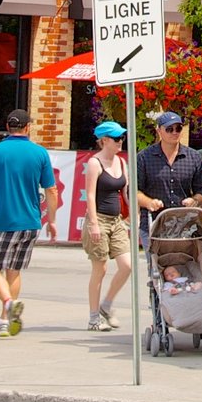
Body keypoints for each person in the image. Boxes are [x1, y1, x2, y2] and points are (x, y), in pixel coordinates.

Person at [0, 108, 60, 338]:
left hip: (3, 220)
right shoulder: (40, 153)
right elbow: (51, 190)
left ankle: (7, 304)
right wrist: (51, 219)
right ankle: (4, 321)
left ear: (7, 126)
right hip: (30, 221)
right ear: (27, 127)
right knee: (14, 271)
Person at [83, 121, 133, 331]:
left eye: (122, 138)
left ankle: (107, 303)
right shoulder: (95, 163)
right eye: (116, 138)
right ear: (104, 141)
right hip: (100, 219)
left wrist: (134, 211)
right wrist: (93, 223)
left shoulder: (121, 163)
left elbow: (126, 191)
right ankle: (94, 316)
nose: (120, 142)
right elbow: (91, 194)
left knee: (127, 265)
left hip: (117, 220)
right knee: (100, 268)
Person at [133, 112, 202, 245]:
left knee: (179, 264)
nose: (174, 132)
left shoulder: (194, 158)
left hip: (184, 225)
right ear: (159, 131)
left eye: (178, 128)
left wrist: (194, 200)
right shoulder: (144, 157)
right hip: (154, 224)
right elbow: (133, 191)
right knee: (157, 265)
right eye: (169, 129)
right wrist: (149, 202)